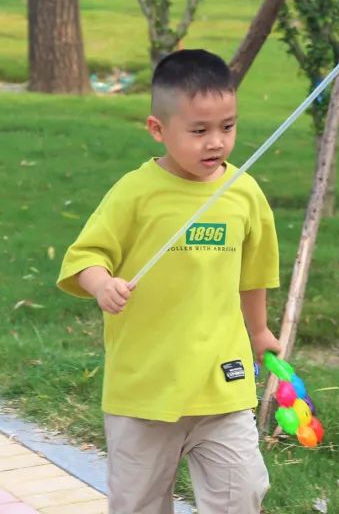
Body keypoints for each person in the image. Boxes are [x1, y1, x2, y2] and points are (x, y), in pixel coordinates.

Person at [58, 49, 282, 514]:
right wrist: (101, 285)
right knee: (138, 503)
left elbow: (254, 274)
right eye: (199, 131)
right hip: (145, 389)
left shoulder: (243, 193)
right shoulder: (135, 192)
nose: (216, 142)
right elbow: (85, 257)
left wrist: (259, 331)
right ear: (157, 129)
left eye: (227, 126)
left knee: (242, 494)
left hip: (221, 383)